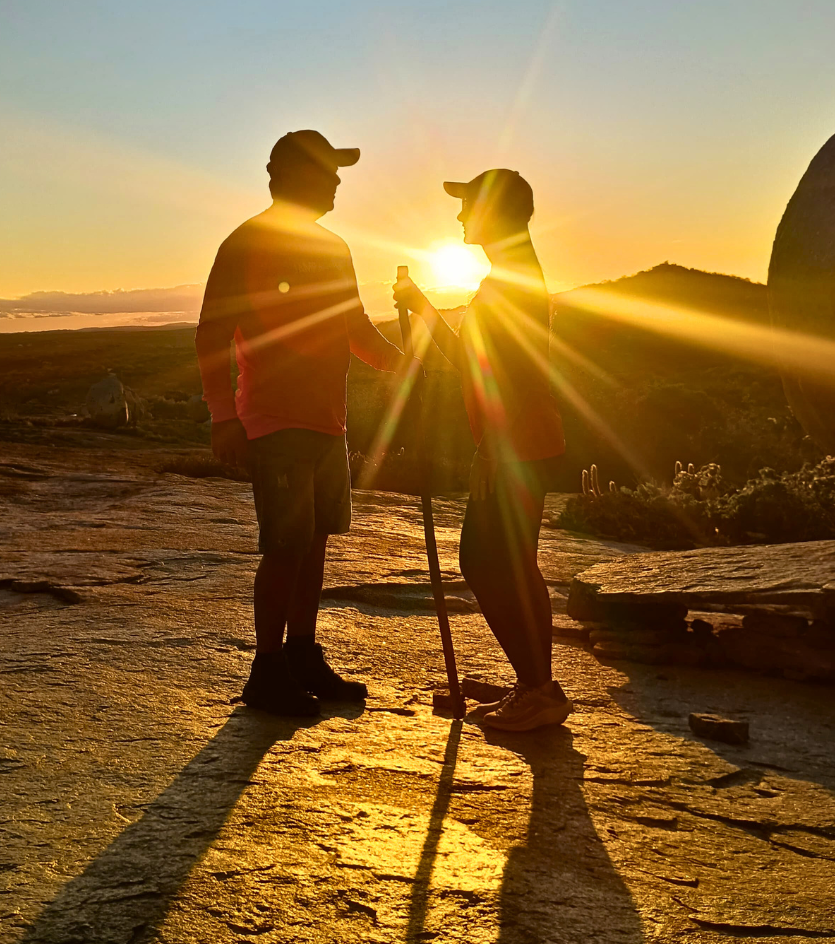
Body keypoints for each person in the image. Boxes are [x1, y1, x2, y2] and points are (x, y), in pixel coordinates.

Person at [197, 130, 404, 717]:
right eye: (327, 172)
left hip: (326, 425)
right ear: (287, 177)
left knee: (313, 546)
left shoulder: (335, 248)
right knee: (286, 548)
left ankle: (301, 654)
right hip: (274, 421)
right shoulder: (246, 244)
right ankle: (266, 672)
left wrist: (403, 365)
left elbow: (355, 327)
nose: (337, 183)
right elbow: (212, 333)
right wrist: (223, 418)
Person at [393, 168, 573, 732]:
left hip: (514, 445)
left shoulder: (513, 280)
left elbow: (519, 373)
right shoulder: (510, 274)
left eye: (469, 205)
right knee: (509, 564)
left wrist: (491, 450)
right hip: (522, 442)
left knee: (487, 561)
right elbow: (475, 364)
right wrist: (424, 309)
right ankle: (535, 684)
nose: (461, 216)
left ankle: (539, 690)